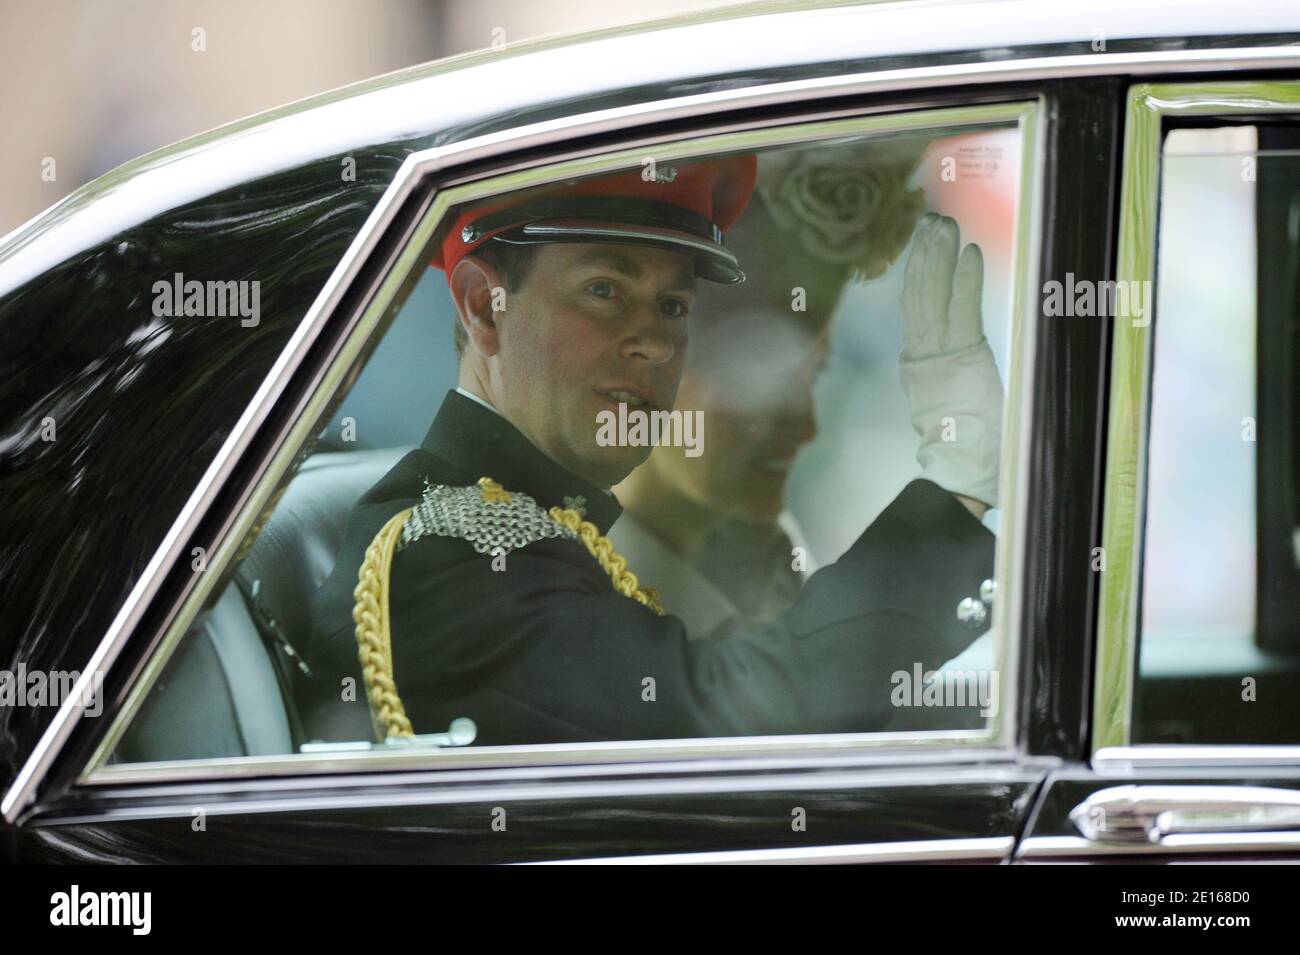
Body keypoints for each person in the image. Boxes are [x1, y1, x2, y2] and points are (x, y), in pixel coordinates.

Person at [300, 153, 999, 747]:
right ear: (486, 309)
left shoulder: (531, 517)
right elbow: (722, 727)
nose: (659, 345)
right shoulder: (449, 551)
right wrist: (958, 481)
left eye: (673, 306)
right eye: (605, 290)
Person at [610, 141, 932, 638]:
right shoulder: (576, 613)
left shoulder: (773, 564)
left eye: (815, 375)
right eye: (760, 380)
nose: (805, 427)